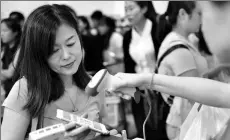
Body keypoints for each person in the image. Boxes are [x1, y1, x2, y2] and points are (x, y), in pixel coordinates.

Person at [108, 1, 230, 139]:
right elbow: (216, 93)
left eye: (202, 12)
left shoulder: (178, 40)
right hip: (164, 105)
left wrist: (148, 80)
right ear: (182, 14)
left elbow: (216, 94)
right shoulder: (178, 46)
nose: (202, 22)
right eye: (199, 13)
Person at [1, 4, 121, 140]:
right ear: (39, 54)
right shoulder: (25, 89)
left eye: (71, 44)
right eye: (53, 50)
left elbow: (102, 128)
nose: (66, 55)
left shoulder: (94, 85)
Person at [156, 1, 208, 139]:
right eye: (199, 13)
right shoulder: (179, 49)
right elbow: (193, 95)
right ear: (183, 14)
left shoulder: (185, 40)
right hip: (186, 124)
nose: (201, 18)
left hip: (186, 121)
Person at [123, 1, 160, 139]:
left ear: (144, 8)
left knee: (159, 130)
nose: (127, 13)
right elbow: (128, 66)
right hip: (138, 91)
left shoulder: (157, 29)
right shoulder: (127, 36)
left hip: (160, 88)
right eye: (125, 9)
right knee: (142, 129)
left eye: (131, 8)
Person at [1, 18, 21, 98]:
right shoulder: (5, 47)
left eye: (5, 31)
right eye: (1, 31)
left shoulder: (21, 47)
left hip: (19, 93)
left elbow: (10, 73)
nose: (1, 34)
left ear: (15, 32)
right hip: (8, 91)